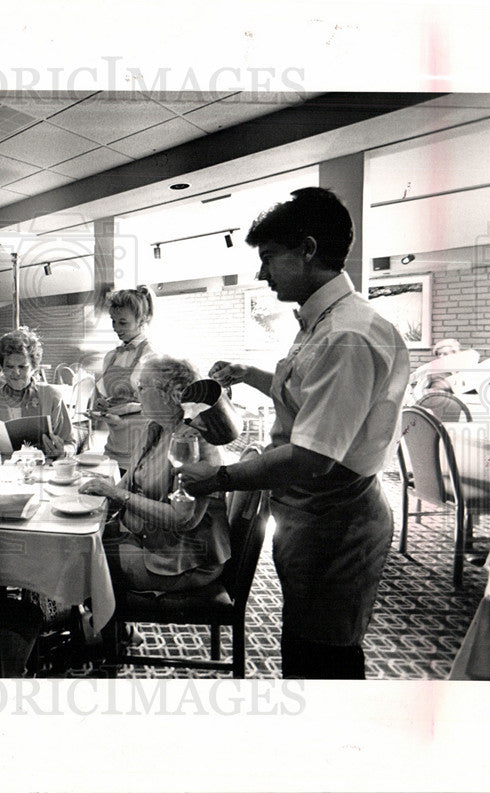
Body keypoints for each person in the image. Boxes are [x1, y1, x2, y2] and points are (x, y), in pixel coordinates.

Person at [180, 187, 410, 680]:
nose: (262, 274)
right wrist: (250, 373)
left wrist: (219, 479)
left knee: (324, 659)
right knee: (305, 643)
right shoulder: (323, 321)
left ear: (307, 250)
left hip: (336, 520)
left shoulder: (347, 335)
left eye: (268, 258)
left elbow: (311, 456)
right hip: (310, 514)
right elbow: (311, 400)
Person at [78, 355, 231, 593]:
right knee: (80, 541)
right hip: (147, 539)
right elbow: (128, 483)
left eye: (141, 388)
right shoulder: (156, 427)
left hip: (181, 559)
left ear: (172, 394)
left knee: (84, 559)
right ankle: (104, 626)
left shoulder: (197, 441)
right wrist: (97, 496)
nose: (136, 394)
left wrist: (115, 495)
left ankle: (106, 628)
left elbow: (182, 519)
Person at [0, 326, 74, 459]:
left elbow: (71, 444)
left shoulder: (52, 396)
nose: (16, 373)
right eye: (9, 367)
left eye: (23, 367)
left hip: (44, 471)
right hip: (3, 473)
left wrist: (63, 451)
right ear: (2, 368)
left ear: (34, 367)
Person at [93, 286, 157, 473]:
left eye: (123, 323)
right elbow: (113, 397)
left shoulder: (151, 356)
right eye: (113, 321)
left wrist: (121, 409)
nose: (116, 329)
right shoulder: (111, 356)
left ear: (142, 320)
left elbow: (153, 407)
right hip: (113, 443)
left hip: (140, 443)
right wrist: (104, 404)